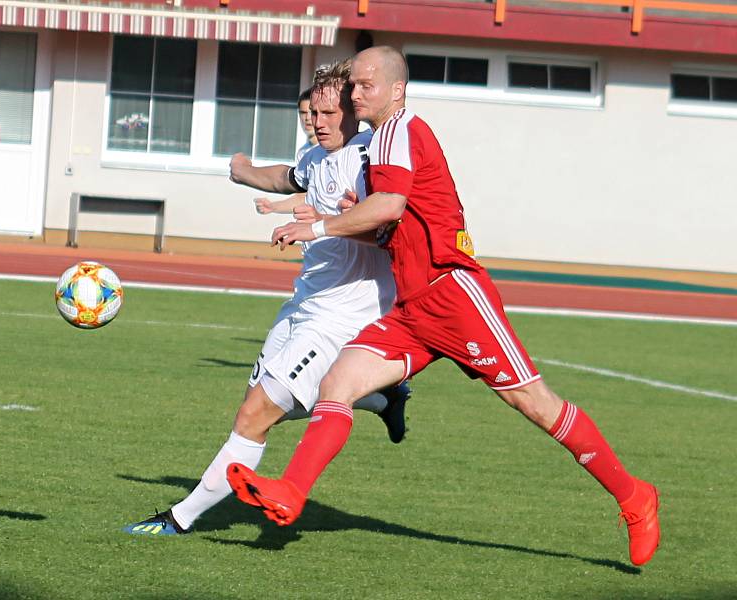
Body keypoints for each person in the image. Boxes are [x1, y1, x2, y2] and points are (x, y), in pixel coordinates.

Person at [226, 46, 661, 567]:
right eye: (354, 86)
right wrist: (342, 213)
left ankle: (635, 498)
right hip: (411, 306)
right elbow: (383, 221)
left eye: (366, 85)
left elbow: (388, 206)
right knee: (336, 385)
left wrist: (315, 226)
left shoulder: (400, 132)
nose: (356, 93)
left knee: (535, 404)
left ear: (396, 90)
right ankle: (291, 492)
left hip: (455, 295)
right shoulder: (376, 147)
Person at [124, 59, 410, 536]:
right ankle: (382, 398)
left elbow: (388, 221)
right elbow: (290, 177)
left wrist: (321, 222)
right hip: (302, 307)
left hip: (343, 318)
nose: (315, 123)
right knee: (263, 406)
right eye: (311, 114)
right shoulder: (317, 154)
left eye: (325, 114)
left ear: (353, 112)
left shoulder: (369, 158)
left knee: (255, 412)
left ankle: (180, 517)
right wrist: (244, 171)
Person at [254, 88, 319, 216]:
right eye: (302, 113)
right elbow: (304, 197)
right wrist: (273, 207)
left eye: (311, 112)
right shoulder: (303, 152)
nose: (307, 118)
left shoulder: (330, 149)